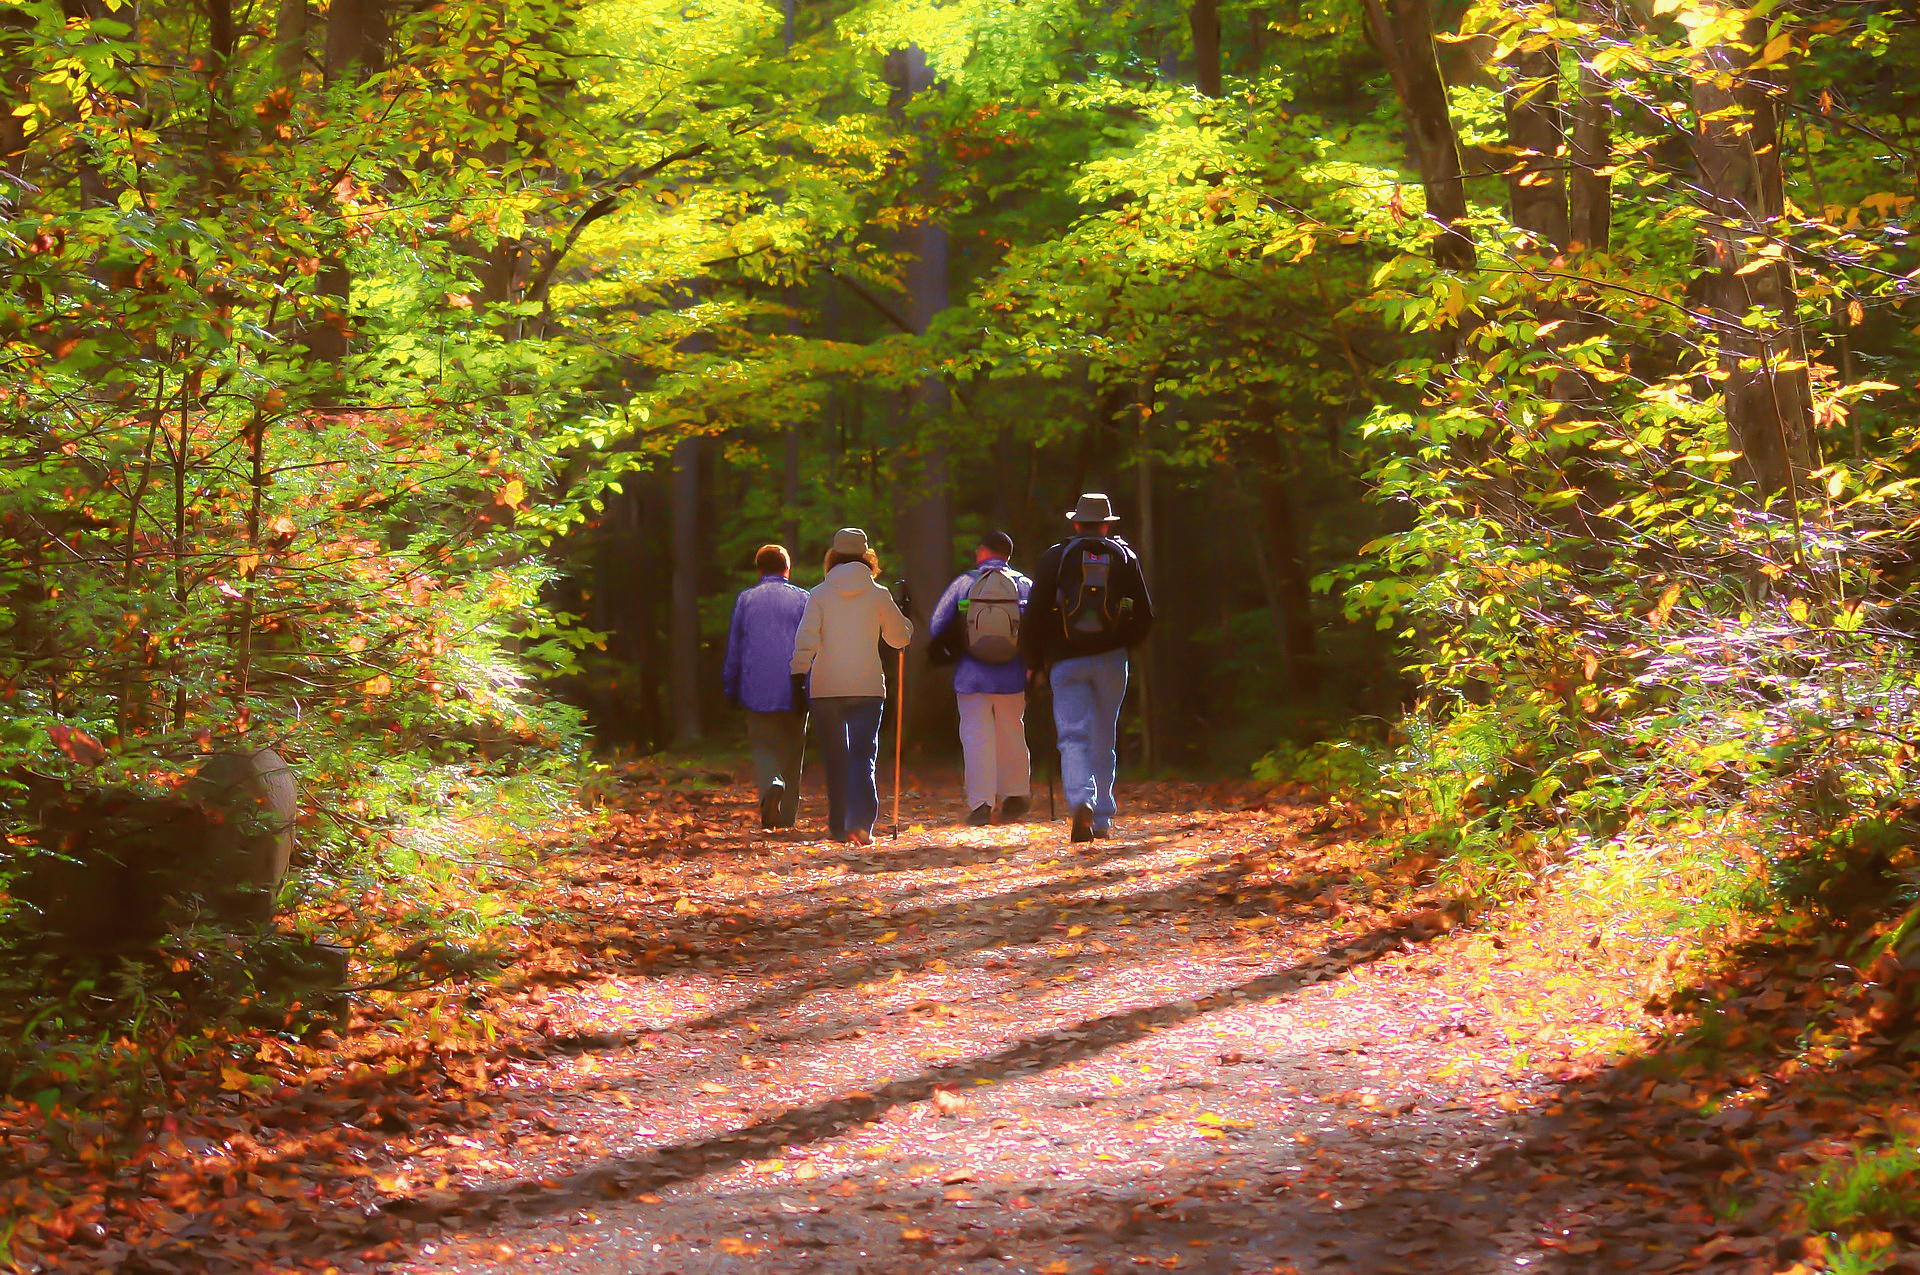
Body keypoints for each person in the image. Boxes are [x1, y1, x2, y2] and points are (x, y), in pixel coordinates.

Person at [1020, 493, 1155, 844]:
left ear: (1076, 523)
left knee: (1072, 736)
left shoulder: (1055, 557)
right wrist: (1124, 644)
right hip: (1111, 660)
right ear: (1107, 524)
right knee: (1104, 738)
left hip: (1065, 660)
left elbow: (1034, 616)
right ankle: (1103, 819)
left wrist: (1033, 663)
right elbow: (1145, 615)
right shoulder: (1124, 557)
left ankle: (1082, 800)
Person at [790, 528, 913, 845]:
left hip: (826, 688)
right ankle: (860, 826)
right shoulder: (879, 594)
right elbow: (898, 639)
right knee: (862, 757)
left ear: (832, 557)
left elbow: (806, 640)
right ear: (867, 557)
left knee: (835, 758)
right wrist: (906, 618)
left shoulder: (819, 593)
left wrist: (798, 674)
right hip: (867, 687)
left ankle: (838, 827)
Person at [929, 531, 1033, 826]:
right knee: (1012, 730)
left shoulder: (966, 582)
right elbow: (1037, 626)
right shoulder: (1023, 584)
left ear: (984, 551)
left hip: (971, 675)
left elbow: (938, 623)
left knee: (976, 736)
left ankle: (981, 804)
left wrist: (959, 645)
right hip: (1012, 675)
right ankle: (1014, 795)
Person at [722, 544, 812, 830]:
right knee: (793, 750)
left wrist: (730, 686)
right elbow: (813, 646)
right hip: (795, 687)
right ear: (788, 569)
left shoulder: (746, 600)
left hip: (756, 687)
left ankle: (771, 785)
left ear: (759, 570)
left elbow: (735, 648)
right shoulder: (803, 599)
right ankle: (786, 818)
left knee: (763, 745)